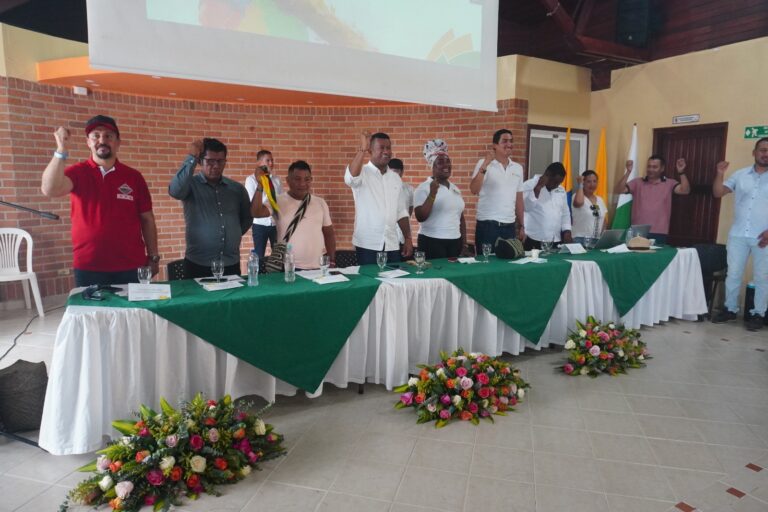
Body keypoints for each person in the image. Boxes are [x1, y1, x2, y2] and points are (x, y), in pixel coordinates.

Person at [41, 115, 160, 287]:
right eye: (96, 136)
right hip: (89, 266)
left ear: (118, 143)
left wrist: (153, 256)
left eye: (108, 136)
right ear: (88, 142)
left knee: (134, 306)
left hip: (131, 265)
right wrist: (61, 149)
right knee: (91, 306)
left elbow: (147, 219)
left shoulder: (134, 177)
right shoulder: (77, 172)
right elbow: (50, 189)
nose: (102, 140)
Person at [169, 138, 252, 279]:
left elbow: (247, 218)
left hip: (230, 263)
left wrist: (233, 233)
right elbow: (175, 191)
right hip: (198, 264)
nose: (215, 166)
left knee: (232, 295)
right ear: (200, 161)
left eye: (220, 161)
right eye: (210, 161)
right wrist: (191, 157)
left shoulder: (236, 189)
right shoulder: (190, 185)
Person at [711, 137, 768, 331]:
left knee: (762, 276)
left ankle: (758, 314)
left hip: (764, 237)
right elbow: (718, 192)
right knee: (733, 274)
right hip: (738, 234)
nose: (766, 154)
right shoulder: (740, 174)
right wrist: (720, 173)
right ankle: (730, 309)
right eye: (762, 150)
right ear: (754, 152)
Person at [251, 160, 336, 270]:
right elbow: (256, 213)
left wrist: (332, 261)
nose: (302, 184)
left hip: (318, 268)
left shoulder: (320, 203)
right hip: (288, 269)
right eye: (297, 179)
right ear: (288, 180)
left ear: (311, 180)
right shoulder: (277, 201)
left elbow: (329, 234)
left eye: (307, 179)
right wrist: (260, 185)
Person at [345, 132, 413, 265]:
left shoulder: (395, 178)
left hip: (392, 243)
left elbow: (401, 211)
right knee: (370, 278)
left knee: (395, 277)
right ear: (370, 150)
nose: (386, 151)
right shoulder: (362, 172)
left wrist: (408, 238)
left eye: (388, 148)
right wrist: (362, 149)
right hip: (367, 244)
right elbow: (351, 179)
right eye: (381, 148)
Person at [614, 155, 691, 243]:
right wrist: (628, 172)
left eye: (654, 167)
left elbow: (685, 191)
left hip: (659, 232)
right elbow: (619, 190)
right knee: (636, 252)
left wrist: (681, 172)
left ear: (662, 168)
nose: (651, 169)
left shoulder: (669, 183)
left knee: (657, 252)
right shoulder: (637, 182)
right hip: (638, 231)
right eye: (649, 166)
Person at [470, 129, 525, 248]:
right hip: (488, 225)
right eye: (504, 141)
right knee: (485, 259)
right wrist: (485, 164)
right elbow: (474, 190)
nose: (509, 144)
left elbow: (519, 199)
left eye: (511, 141)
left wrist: (522, 225)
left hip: (510, 226)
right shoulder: (483, 163)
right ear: (494, 145)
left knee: (507, 260)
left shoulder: (517, 168)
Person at [413, 140, 467, 259]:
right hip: (432, 241)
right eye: (440, 162)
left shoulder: (455, 188)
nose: (446, 165)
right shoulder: (423, 188)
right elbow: (420, 217)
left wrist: (464, 244)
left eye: (448, 161)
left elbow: (460, 218)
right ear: (432, 166)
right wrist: (432, 194)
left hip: (455, 241)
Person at [522, 162, 572, 250]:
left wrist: (567, 231)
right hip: (534, 239)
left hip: (555, 240)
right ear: (547, 175)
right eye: (555, 182)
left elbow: (565, 213)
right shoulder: (529, 185)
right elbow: (526, 207)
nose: (557, 185)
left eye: (559, 183)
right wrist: (537, 188)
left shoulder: (561, 190)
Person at [244, 149, 283, 259]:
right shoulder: (251, 180)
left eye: (272, 160)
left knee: (278, 256)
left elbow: (281, 201)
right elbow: (252, 204)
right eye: (268, 160)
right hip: (259, 224)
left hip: (275, 223)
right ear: (259, 163)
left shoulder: (277, 180)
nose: (271, 163)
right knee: (259, 255)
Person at [572, 170, 608, 244]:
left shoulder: (600, 199)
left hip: (596, 240)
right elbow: (579, 202)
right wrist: (580, 185)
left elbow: (604, 220)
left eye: (595, 181)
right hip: (580, 239)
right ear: (583, 182)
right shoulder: (576, 196)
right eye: (589, 181)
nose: (592, 184)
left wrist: (602, 238)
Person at [389, 158, 414, 254]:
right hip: (389, 234)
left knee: (405, 258)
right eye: (391, 172)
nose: (394, 175)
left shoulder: (409, 189)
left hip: (403, 233)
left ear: (402, 172)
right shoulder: (383, 188)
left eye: (396, 171)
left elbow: (409, 210)